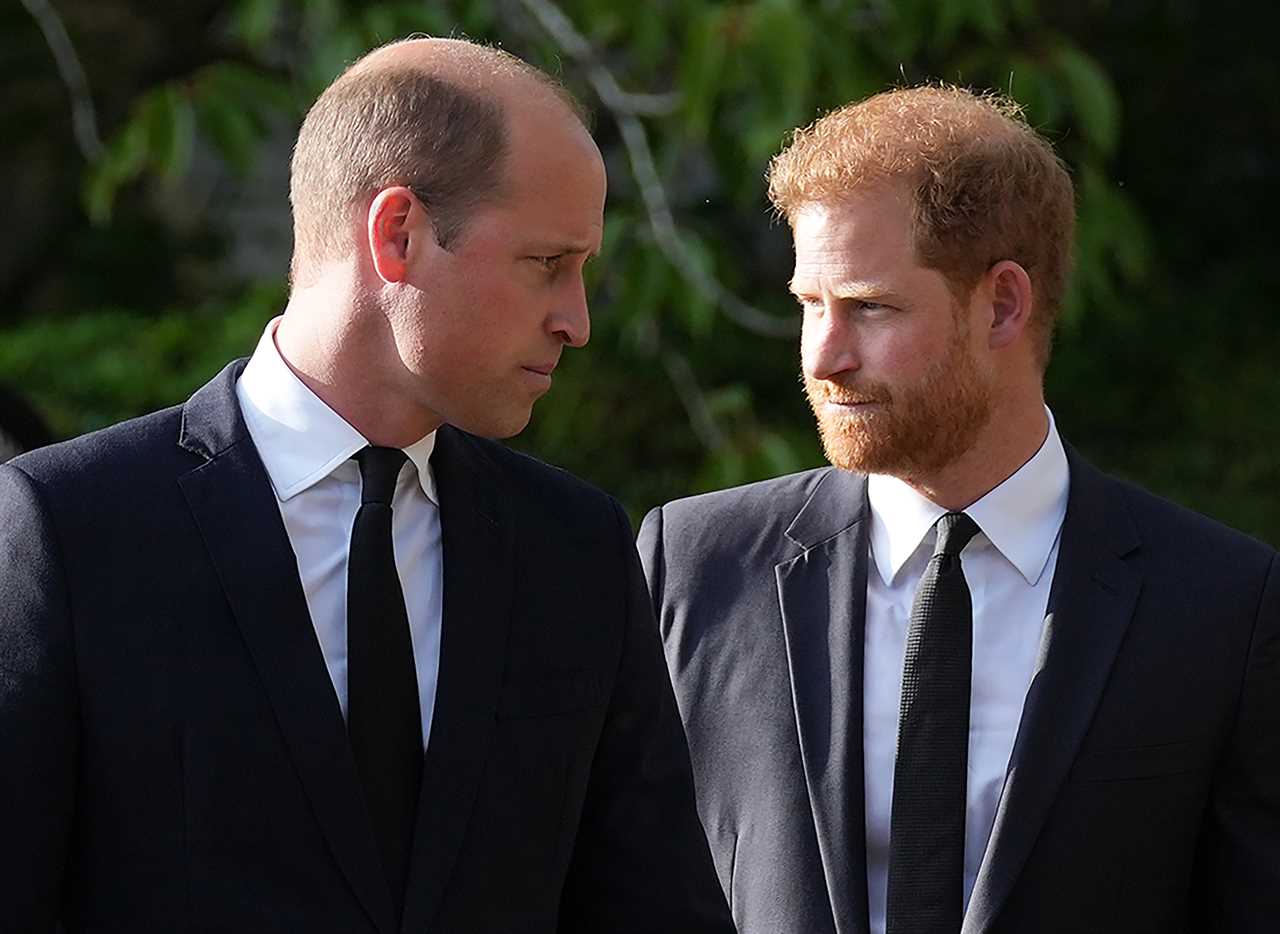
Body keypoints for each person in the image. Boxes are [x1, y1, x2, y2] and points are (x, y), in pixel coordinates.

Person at [0, 37, 732, 934]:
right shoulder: (70, 529)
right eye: (548, 263)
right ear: (397, 234)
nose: (576, 321)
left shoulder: (573, 551)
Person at [638, 85, 1279, 934]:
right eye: (809, 306)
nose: (823, 357)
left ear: (1004, 305)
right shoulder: (696, 563)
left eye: (869, 307)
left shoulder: (1223, 605)